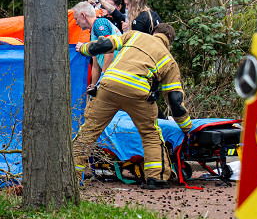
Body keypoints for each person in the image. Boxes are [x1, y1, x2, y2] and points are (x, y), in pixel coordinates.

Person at [72, 20, 192, 188]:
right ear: (169, 41)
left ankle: (71, 176)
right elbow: (175, 101)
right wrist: (187, 128)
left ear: (154, 32)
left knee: (89, 131)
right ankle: (155, 178)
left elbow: (105, 43)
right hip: (138, 93)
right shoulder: (169, 60)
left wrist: (84, 48)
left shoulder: (135, 35)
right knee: (150, 134)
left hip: (109, 86)